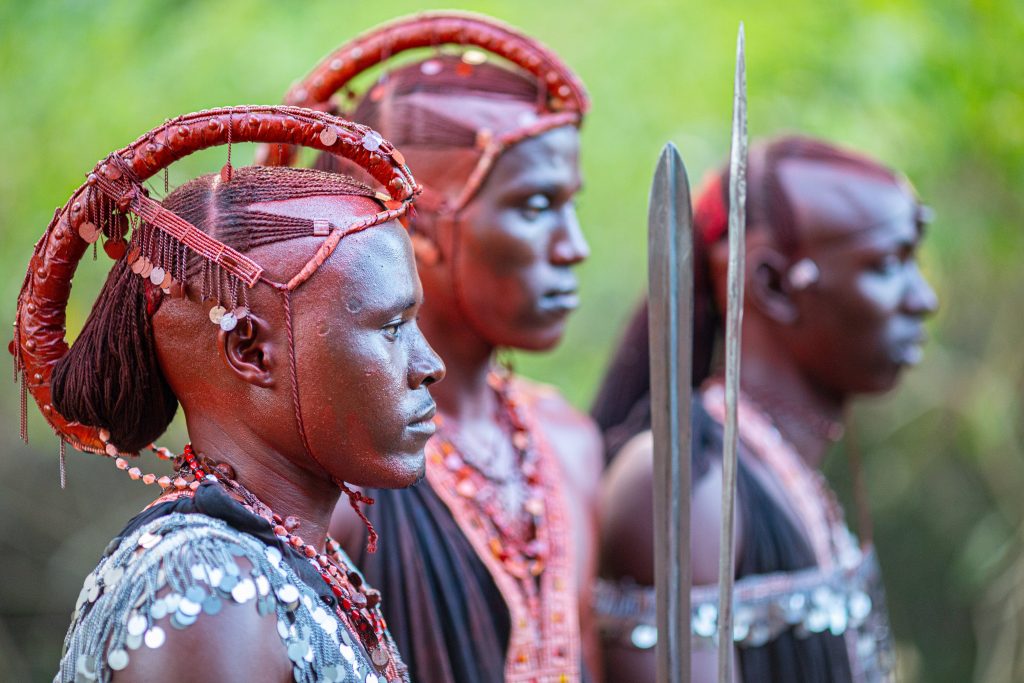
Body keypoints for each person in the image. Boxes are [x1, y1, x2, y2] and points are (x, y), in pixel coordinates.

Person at [13, 106, 445, 683]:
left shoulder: (287, 561)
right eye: (392, 328)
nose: (430, 365)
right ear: (250, 351)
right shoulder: (210, 594)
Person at [264, 12, 603, 682]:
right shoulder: (338, 479)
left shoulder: (569, 439)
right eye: (536, 206)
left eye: (570, 204)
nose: (574, 247)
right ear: (412, 224)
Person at [591, 135, 938, 682]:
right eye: (886, 265)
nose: (923, 299)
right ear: (772, 285)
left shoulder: (781, 467)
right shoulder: (687, 488)